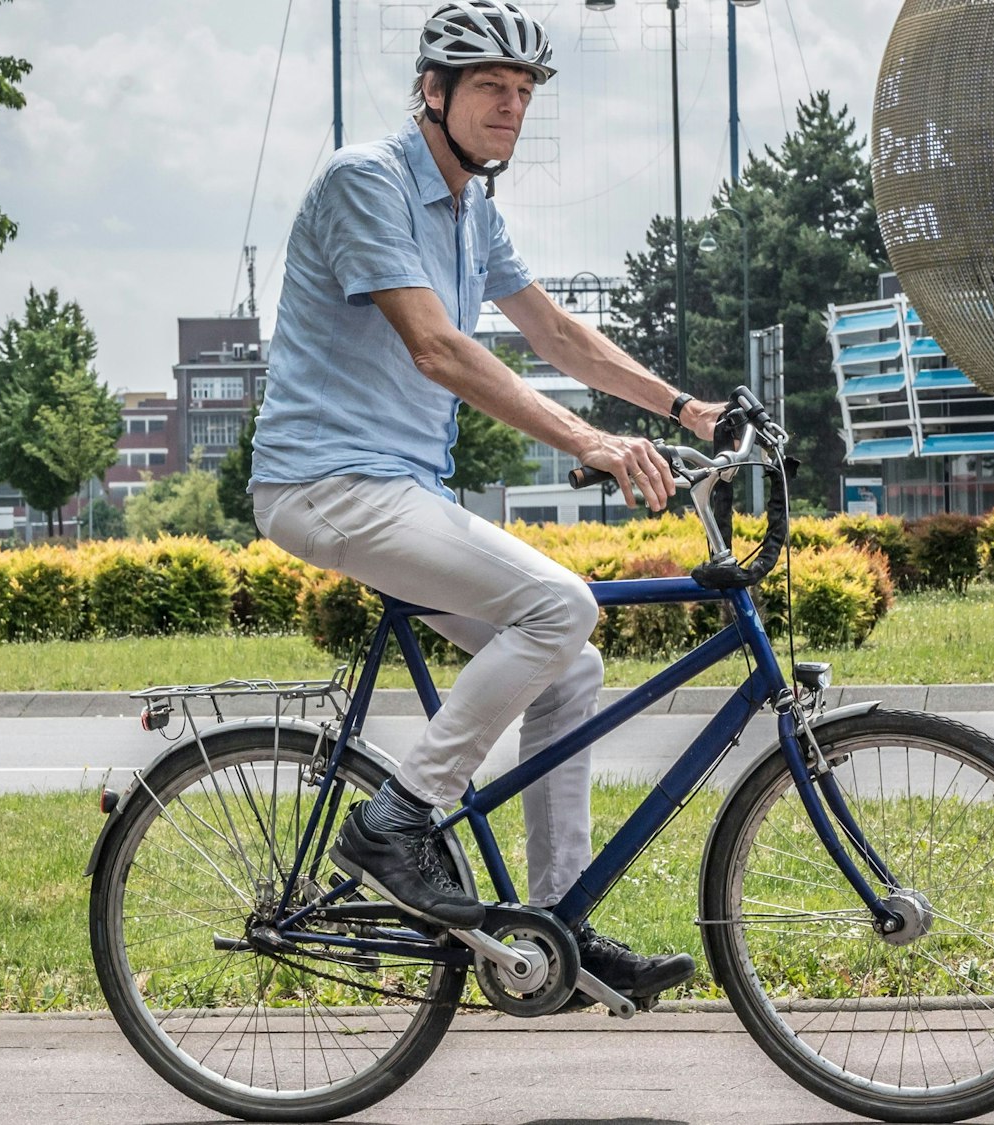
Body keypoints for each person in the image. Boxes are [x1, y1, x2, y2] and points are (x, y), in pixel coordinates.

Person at [249, 0, 724, 1004]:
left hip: (398, 487)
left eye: (521, 94)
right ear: (433, 91)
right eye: (489, 90)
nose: (509, 109)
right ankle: (396, 821)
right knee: (560, 606)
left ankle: (558, 929)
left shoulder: (471, 209)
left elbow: (552, 333)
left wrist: (685, 410)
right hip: (326, 483)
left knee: (567, 663)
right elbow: (440, 348)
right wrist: (591, 440)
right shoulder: (366, 182)